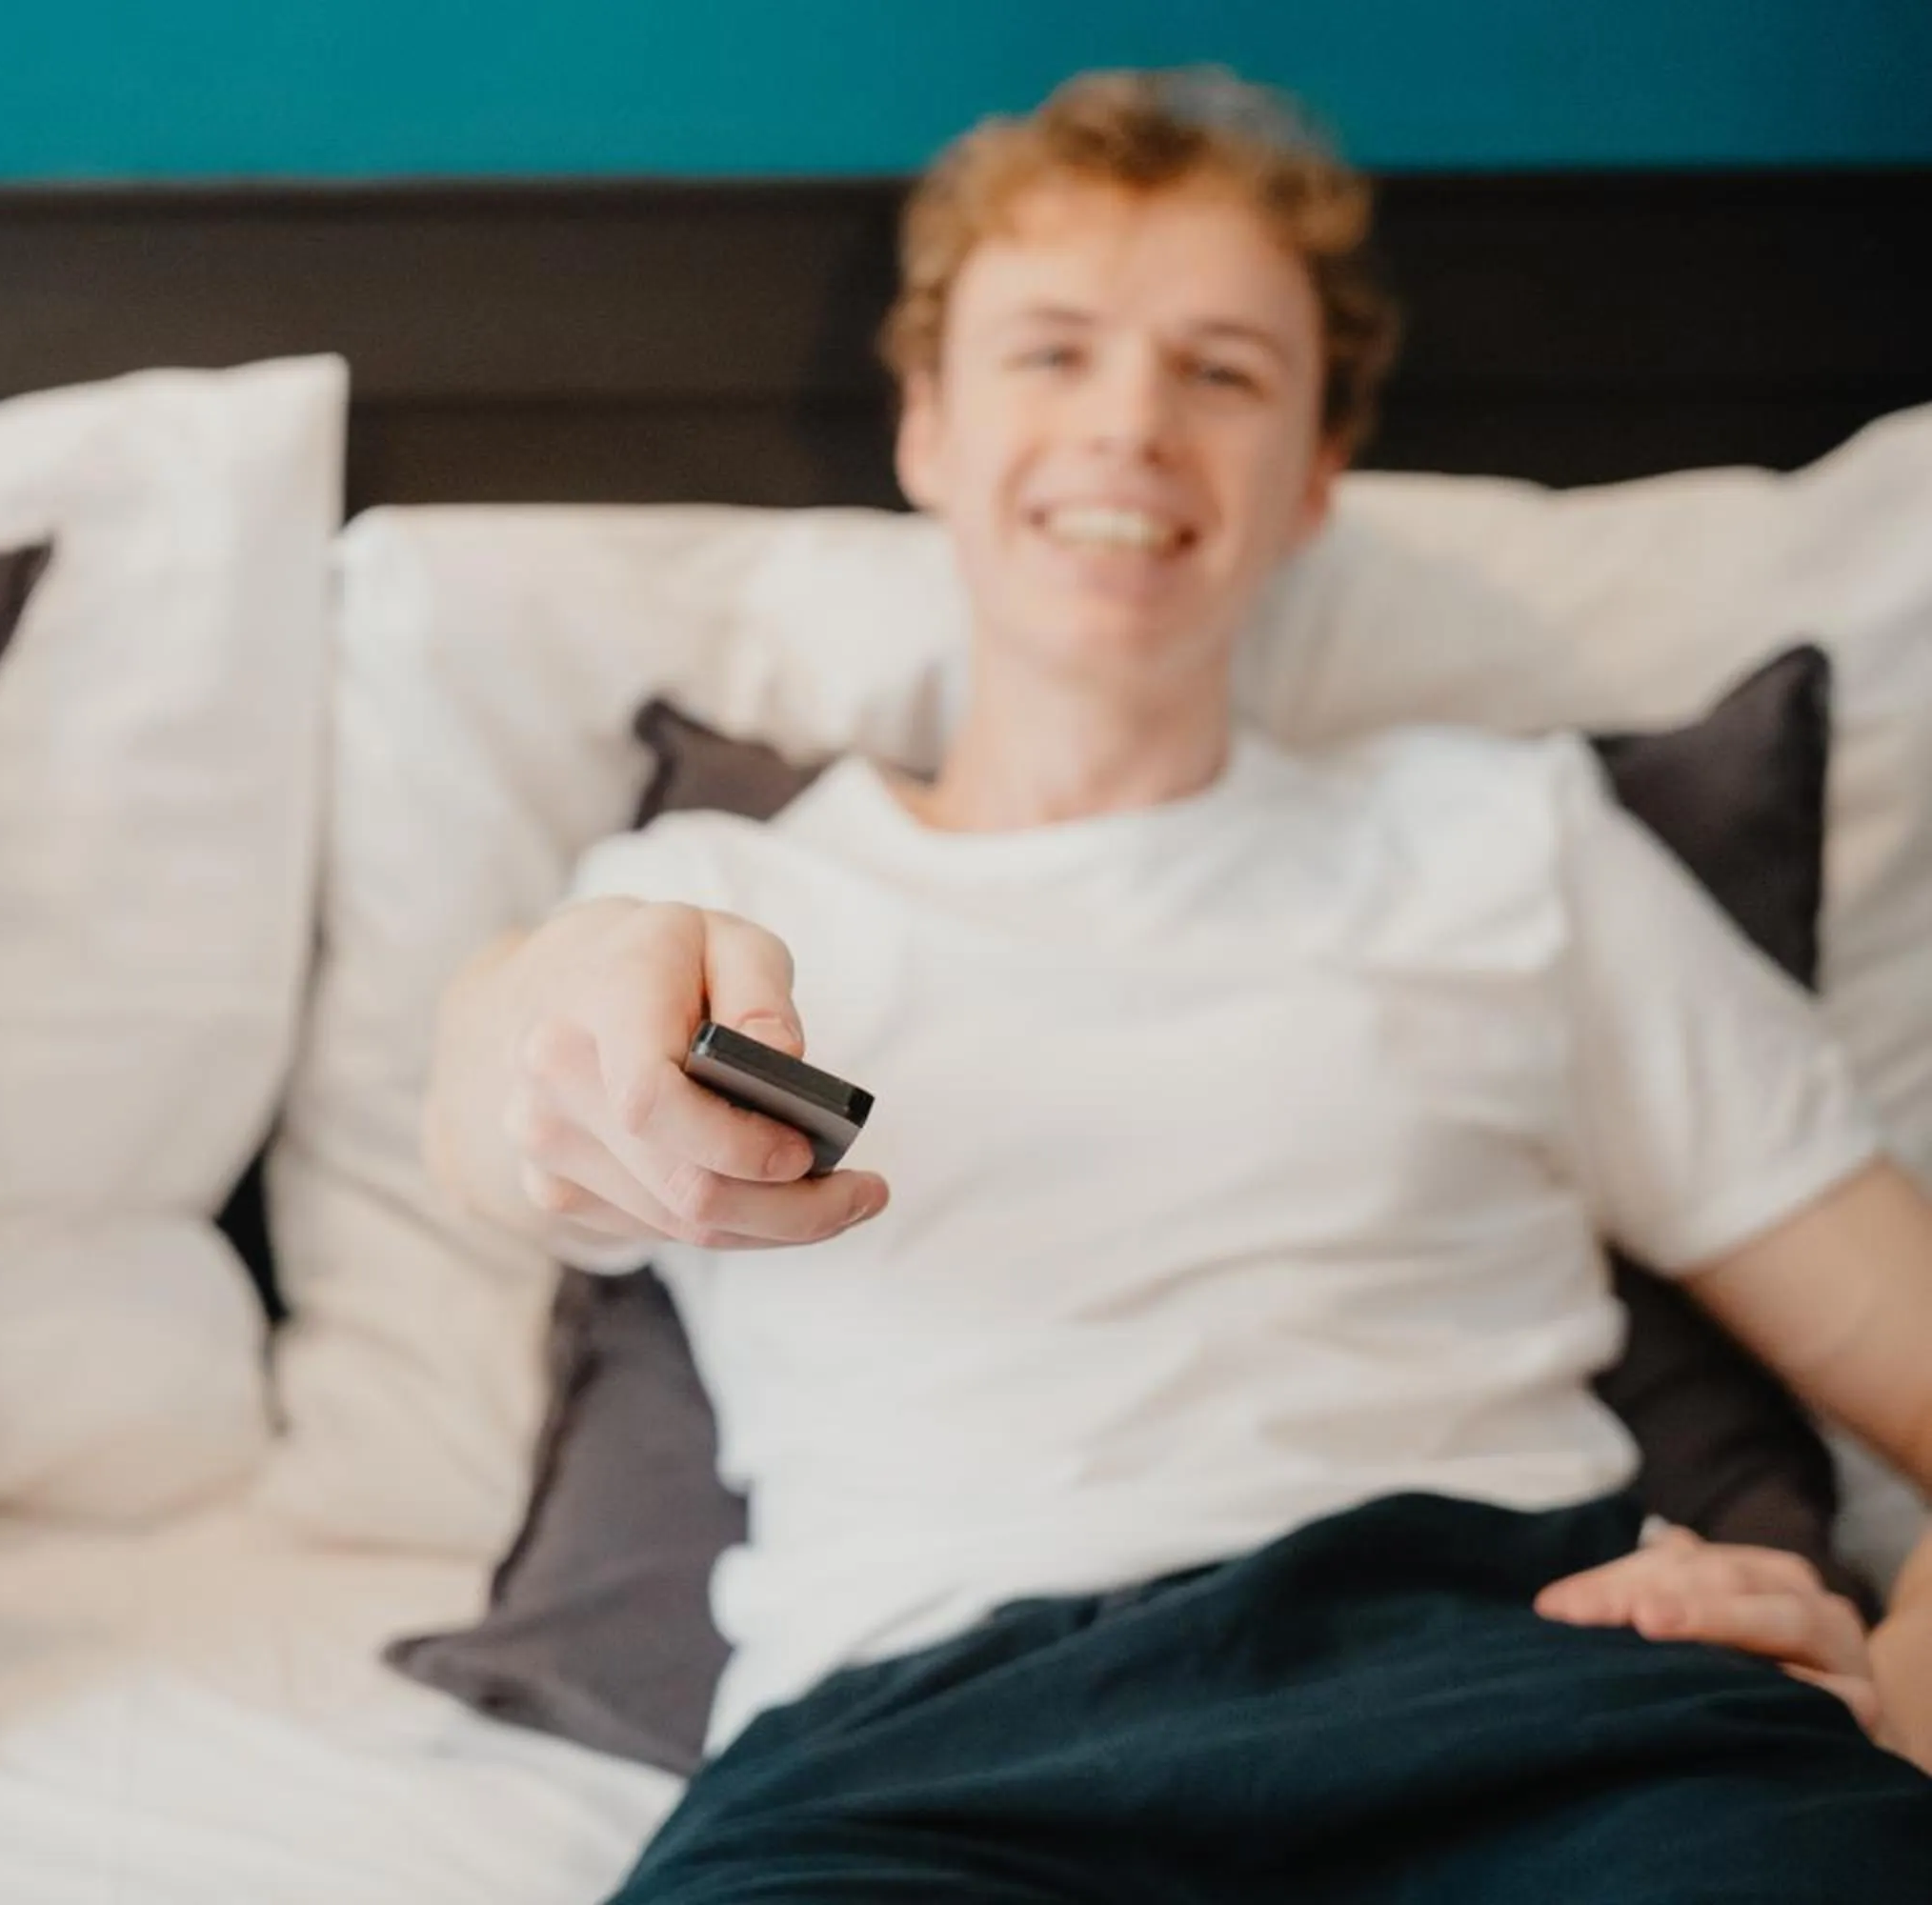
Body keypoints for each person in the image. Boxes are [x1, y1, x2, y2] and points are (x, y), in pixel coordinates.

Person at [421, 68, 1932, 1901]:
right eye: (1052, 352)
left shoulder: (1510, 842)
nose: (1132, 423)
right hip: (915, 1763)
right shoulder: (716, 894)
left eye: (1221, 370)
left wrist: (1903, 1716)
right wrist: (566, 1024)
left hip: (1531, 1687)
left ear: (1311, 478)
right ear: (928, 429)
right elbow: (510, 1084)